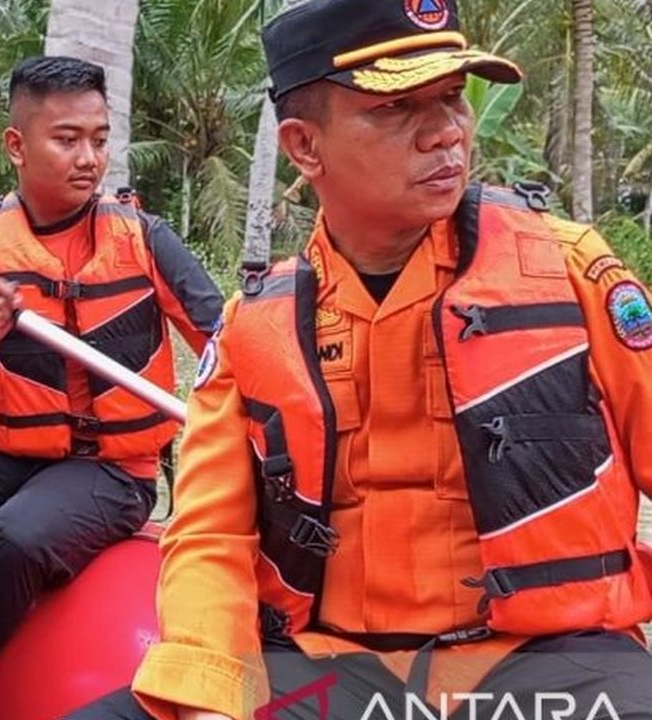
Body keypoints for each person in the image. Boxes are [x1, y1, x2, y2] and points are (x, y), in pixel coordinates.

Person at [69, 1, 652, 719]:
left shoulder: (569, 274)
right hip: (335, 671)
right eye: (398, 106)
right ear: (304, 146)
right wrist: (208, 698)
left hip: (549, 667)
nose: (446, 131)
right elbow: (211, 533)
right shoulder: (259, 324)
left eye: (450, 98)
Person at [0, 55, 224, 691]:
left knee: (14, 541)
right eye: (67, 139)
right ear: (16, 146)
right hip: (7, 455)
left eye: (100, 139)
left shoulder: (144, 239)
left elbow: (228, 347)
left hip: (114, 471)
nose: (89, 158)